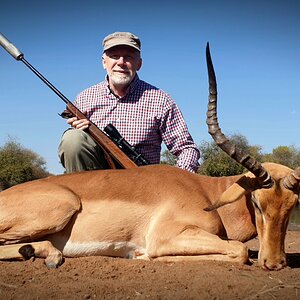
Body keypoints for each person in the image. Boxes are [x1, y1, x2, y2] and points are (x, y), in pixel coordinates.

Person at [58, 32, 200, 173]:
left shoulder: (161, 100)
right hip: (97, 181)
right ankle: (85, 194)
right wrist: (82, 134)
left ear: (139, 64)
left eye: (128, 57)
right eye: (114, 56)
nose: (121, 62)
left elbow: (186, 148)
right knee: (73, 139)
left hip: (143, 183)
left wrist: (177, 181)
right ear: (104, 62)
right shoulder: (84, 98)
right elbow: (76, 152)